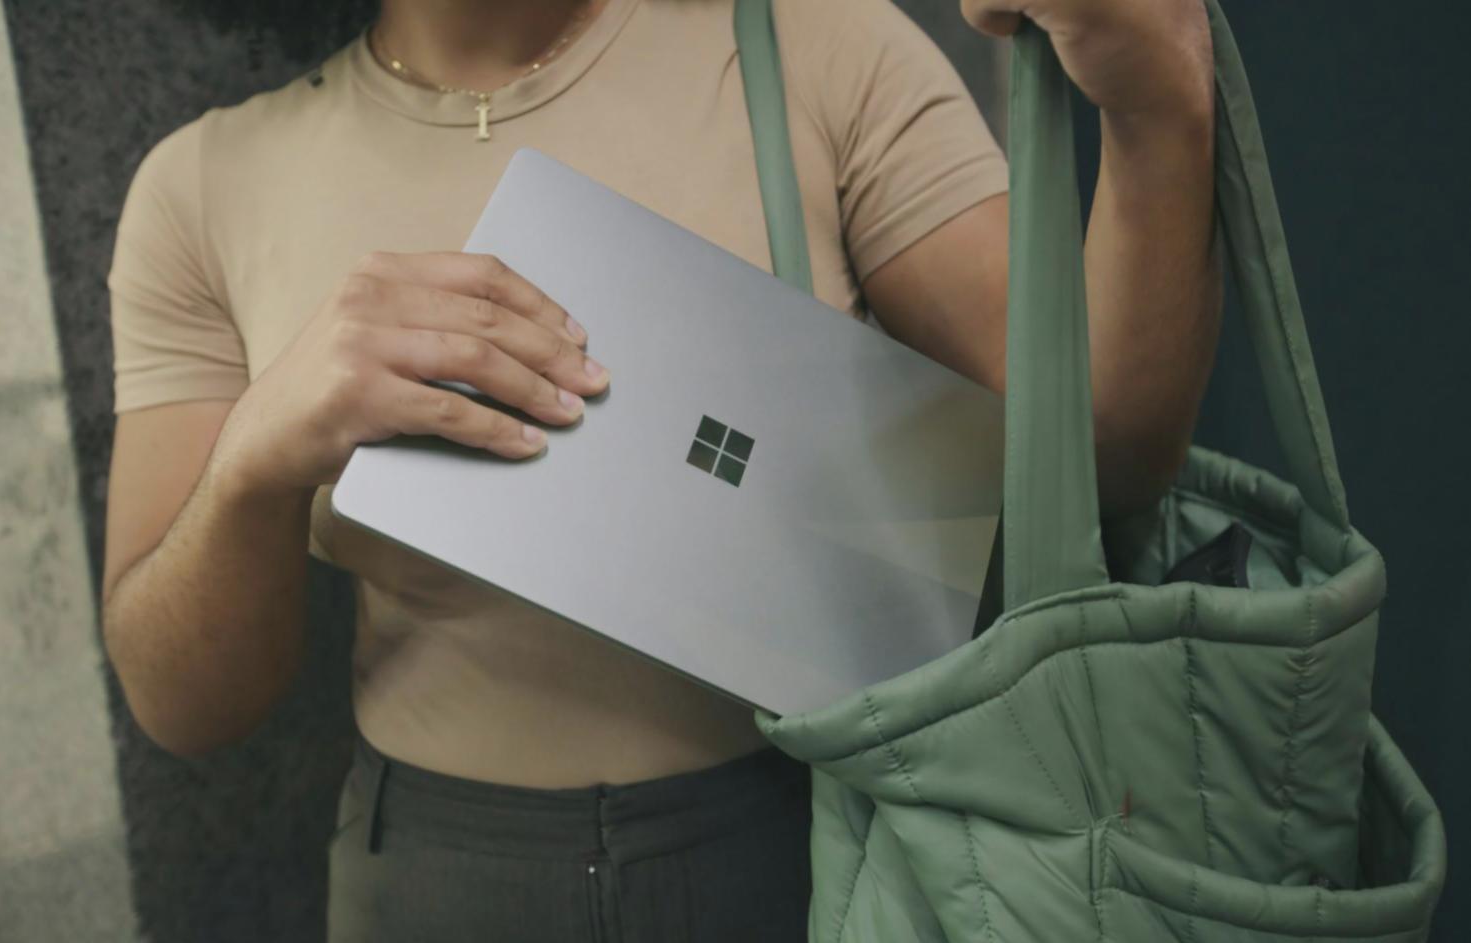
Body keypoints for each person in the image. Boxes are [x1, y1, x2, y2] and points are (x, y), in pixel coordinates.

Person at [100, 0, 1220, 938]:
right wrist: (249, 466)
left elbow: (1105, 460)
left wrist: (1158, 109)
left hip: (823, 830)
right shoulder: (205, 186)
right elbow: (186, 705)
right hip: (437, 871)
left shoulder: (807, 47)